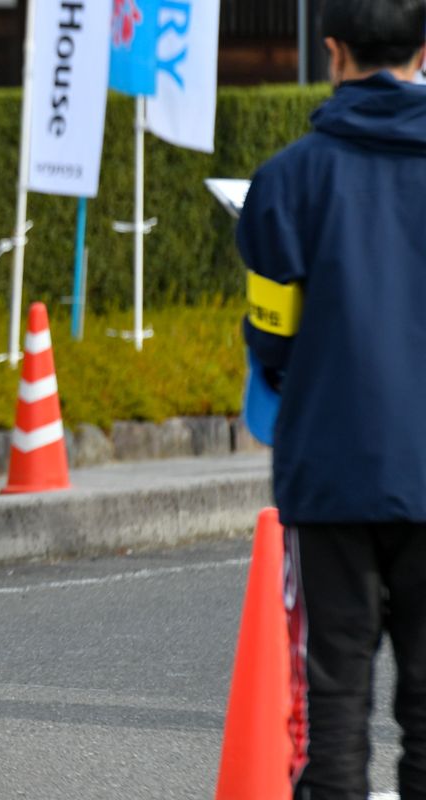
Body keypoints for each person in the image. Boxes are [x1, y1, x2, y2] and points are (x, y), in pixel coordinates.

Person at [236, 1, 426, 797]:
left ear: (334, 51)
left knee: (336, 684)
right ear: (422, 53)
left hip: (331, 464)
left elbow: (271, 334)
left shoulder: (287, 177)